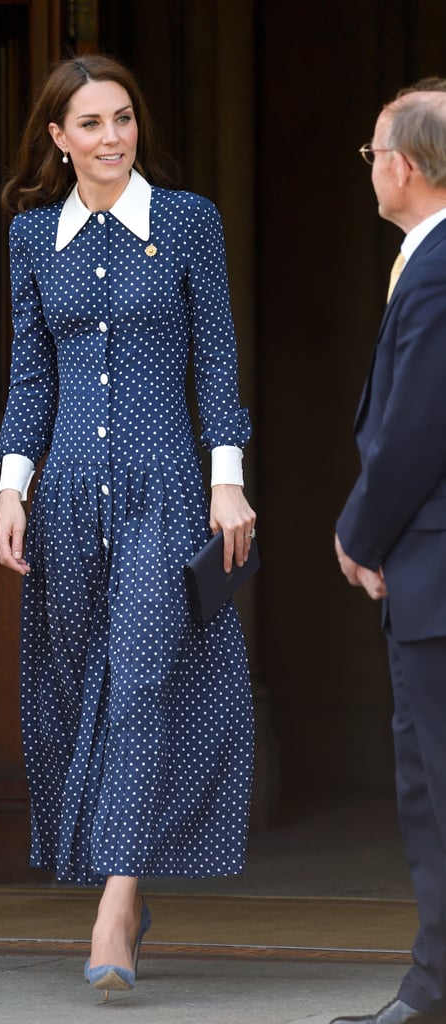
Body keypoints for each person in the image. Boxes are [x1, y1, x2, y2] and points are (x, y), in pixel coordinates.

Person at [0, 54, 256, 996]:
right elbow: (30, 378)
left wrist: (227, 481)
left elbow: (216, 366)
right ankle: (121, 885)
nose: (112, 138)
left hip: (167, 490)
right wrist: (9, 491)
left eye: (123, 119)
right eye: (91, 124)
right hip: (64, 496)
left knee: (141, 677)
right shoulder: (31, 238)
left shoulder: (187, 223)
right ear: (58, 140)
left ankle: (116, 901)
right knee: (77, 687)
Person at [333, 81, 446, 1024]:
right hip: (425, 571)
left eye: (373, 151)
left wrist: (359, 532)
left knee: (436, 790)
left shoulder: (441, 265)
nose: (370, 166)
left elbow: (415, 426)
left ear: (403, 165)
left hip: (435, 573)